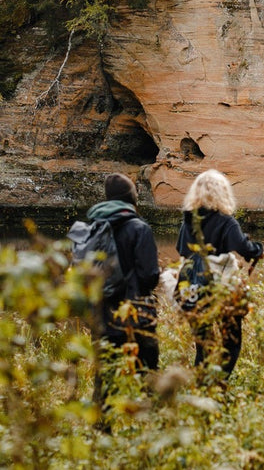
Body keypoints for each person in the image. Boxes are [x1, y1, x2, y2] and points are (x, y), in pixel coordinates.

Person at [87, 173, 160, 424]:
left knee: (105, 380)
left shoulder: (92, 229)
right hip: (136, 317)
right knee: (148, 377)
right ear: (131, 198)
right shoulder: (139, 228)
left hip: (102, 318)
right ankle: (150, 431)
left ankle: (101, 434)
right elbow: (150, 275)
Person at [176, 169, 263, 378]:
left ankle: (201, 386)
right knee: (231, 342)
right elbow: (244, 248)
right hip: (221, 288)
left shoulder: (188, 221)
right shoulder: (226, 221)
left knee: (203, 345)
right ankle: (219, 384)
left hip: (193, 290)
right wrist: (257, 249)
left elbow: (182, 251)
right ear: (223, 192)